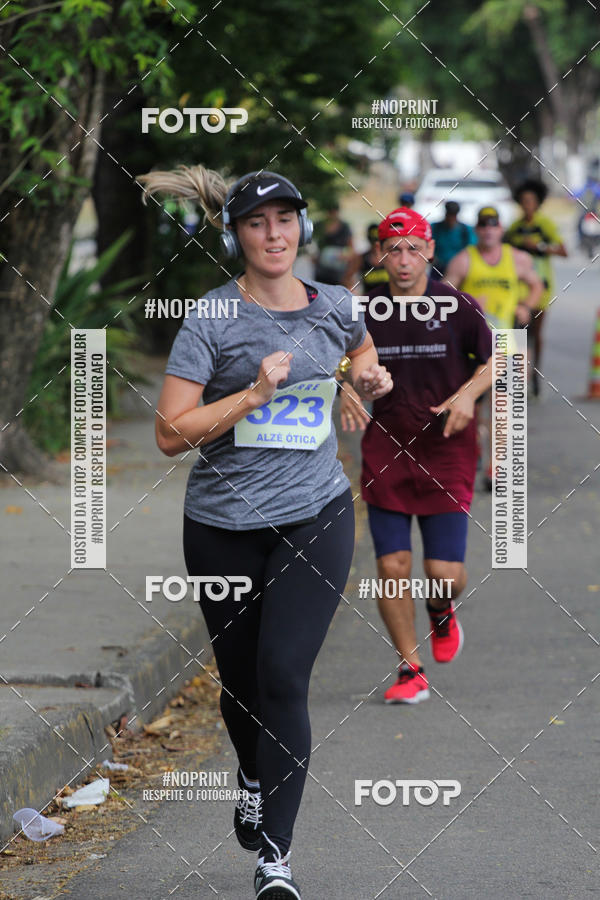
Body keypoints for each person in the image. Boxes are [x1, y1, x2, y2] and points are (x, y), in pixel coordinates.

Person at [139, 165, 392, 899]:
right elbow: (166, 435)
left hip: (316, 514)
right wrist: (253, 394)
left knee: (284, 676)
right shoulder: (211, 319)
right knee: (243, 684)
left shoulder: (337, 303)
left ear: (302, 226)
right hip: (222, 526)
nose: (274, 234)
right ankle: (251, 769)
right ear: (237, 234)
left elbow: (363, 351)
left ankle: (275, 860)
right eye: (258, 223)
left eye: (286, 219)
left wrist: (365, 381)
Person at [339, 207, 493, 704]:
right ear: (379, 254)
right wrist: (342, 385)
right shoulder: (363, 308)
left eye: (412, 248)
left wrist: (469, 393)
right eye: (392, 248)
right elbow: (331, 358)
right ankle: (410, 667)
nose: (403, 259)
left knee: (443, 575)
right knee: (392, 566)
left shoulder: (456, 305)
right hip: (386, 448)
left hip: (446, 448)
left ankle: (441, 609)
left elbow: (504, 357)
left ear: (429, 250)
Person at [444, 206, 542, 489]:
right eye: (483, 226)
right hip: (472, 350)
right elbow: (442, 296)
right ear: (477, 231)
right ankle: (472, 452)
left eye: (494, 225)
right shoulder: (464, 260)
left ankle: (495, 469)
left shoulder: (517, 260)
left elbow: (537, 285)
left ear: (501, 230)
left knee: (503, 410)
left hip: (507, 347)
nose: (488, 230)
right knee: (470, 407)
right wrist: (466, 306)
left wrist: (527, 306)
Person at [504, 179, 568, 396]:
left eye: (530, 201)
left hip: (542, 287)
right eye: (523, 201)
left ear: (538, 202)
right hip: (518, 290)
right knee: (518, 333)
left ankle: (537, 375)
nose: (526, 205)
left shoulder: (545, 225)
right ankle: (519, 379)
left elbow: (563, 251)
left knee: (537, 333)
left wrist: (539, 246)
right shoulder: (514, 227)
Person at [313, 202, 355, 287]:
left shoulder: (345, 227)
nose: (332, 215)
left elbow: (351, 249)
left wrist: (345, 256)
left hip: (339, 270)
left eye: (334, 212)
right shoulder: (319, 225)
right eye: (330, 212)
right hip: (321, 270)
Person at [431, 200, 476, 277]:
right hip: (439, 267)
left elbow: (472, 248)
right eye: (449, 214)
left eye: (453, 215)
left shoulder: (465, 229)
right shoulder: (435, 227)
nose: (451, 218)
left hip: (458, 268)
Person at [355, 222, 390, 291]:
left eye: (378, 240)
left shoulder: (390, 257)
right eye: (373, 240)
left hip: (389, 300)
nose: (376, 244)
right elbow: (347, 279)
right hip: (368, 300)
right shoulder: (361, 258)